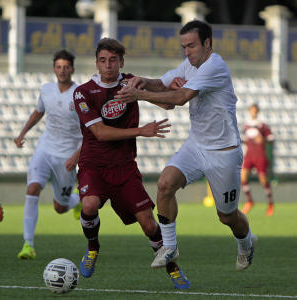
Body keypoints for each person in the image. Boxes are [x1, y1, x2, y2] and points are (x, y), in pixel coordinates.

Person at [116, 19, 257, 271]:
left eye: (191, 46)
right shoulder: (190, 64)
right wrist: (142, 81)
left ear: (207, 43)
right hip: (196, 146)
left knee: (227, 216)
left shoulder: (215, 66)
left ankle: (246, 242)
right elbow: (163, 83)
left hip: (223, 153)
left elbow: (180, 97)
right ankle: (169, 247)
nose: (187, 52)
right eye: (184, 47)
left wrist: (139, 95)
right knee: (165, 184)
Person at [73, 37, 190, 289]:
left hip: (124, 167)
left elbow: (168, 104)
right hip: (94, 165)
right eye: (103, 60)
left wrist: (140, 93)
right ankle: (92, 248)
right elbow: (101, 133)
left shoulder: (130, 82)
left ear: (121, 61)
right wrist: (141, 131)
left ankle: (173, 268)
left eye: (113, 60)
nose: (108, 65)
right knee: (90, 204)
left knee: (149, 224)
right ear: (96, 63)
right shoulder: (83, 92)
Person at [14, 50, 82, 260]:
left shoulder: (80, 94)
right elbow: (38, 112)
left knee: (59, 208)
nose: (62, 71)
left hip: (67, 157)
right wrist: (22, 133)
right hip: (45, 150)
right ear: (54, 69)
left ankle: (76, 200)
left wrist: (77, 155)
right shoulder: (46, 90)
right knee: (32, 188)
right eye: (58, 67)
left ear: (72, 69)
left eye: (66, 67)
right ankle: (28, 244)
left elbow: (90, 129)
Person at [241, 103, 275, 216]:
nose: (253, 112)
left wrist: (263, 140)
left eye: (255, 110)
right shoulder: (246, 125)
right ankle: (249, 201)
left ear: (257, 112)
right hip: (249, 155)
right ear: (249, 111)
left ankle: (270, 203)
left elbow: (271, 139)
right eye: (252, 110)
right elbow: (244, 139)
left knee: (263, 180)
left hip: (260, 155)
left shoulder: (262, 125)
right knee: (243, 177)